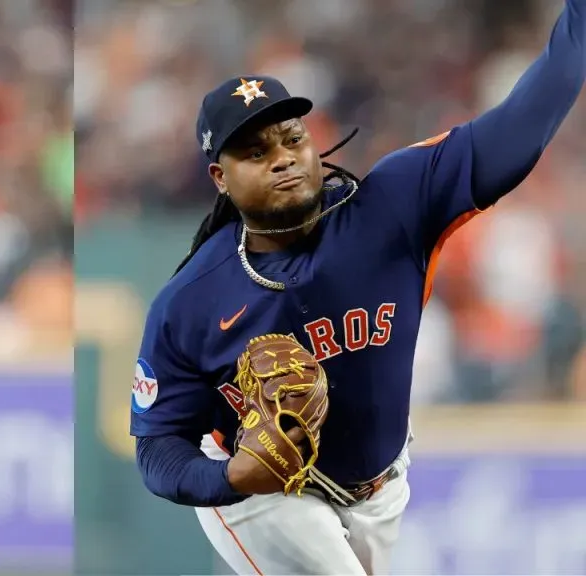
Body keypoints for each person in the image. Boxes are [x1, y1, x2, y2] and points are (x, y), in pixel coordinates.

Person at [129, 0, 586, 573]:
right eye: (255, 152)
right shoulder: (190, 300)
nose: (283, 159)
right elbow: (156, 445)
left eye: (291, 139)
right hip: (263, 498)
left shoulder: (391, 205)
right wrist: (227, 477)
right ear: (220, 178)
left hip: (382, 485)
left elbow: (523, 121)